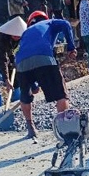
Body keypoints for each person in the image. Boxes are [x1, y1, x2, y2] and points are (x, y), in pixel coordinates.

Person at [16, 11, 77, 139]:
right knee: (61, 94)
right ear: (45, 18)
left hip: (21, 63)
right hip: (44, 57)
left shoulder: (26, 32)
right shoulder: (50, 22)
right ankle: (65, 129)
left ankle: (31, 128)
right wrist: (71, 47)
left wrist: (34, 84)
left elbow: (29, 56)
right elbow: (66, 24)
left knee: (25, 96)